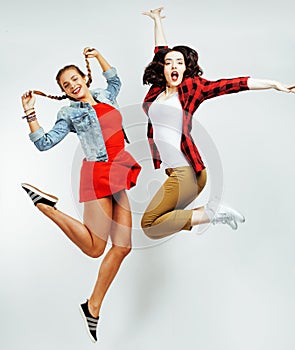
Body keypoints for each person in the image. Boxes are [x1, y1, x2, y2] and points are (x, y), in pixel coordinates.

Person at [141, 7, 295, 240]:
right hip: (174, 171)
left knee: (149, 224)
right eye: (169, 63)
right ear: (162, 67)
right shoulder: (156, 91)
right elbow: (161, 50)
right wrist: (156, 21)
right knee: (155, 225)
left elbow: (233, 84)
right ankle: (211, 214)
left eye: (179, 63)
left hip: (188, 172)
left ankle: (212, 212)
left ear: (186, 67)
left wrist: (273, 83)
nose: (173, 66)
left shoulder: (194, 88)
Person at [21, 47, 141, 343]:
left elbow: (115, 81)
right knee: (94, 249)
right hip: (97, 174)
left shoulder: (104, 96)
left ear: (84, 78)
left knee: (123, 247)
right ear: (63, 91)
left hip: (119, 170)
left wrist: (99, 57)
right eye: (65, 85)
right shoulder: (70, 113)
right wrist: (30, 114)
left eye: (75, 79)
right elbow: (45, 142)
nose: (72, 86)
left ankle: (92, 305)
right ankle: (48, 207)